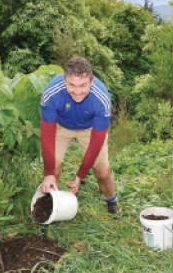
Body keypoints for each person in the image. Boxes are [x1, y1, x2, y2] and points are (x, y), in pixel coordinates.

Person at [39, 56, 118, 214]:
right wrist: (48, 173)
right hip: (60, 126)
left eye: (83, 85)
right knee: (52, 168)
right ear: (64, 81)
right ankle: (50, 206)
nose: (77, 91)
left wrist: (80, 175)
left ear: (91, 81)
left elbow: (96, 142)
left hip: (90, 129)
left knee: (102, 172)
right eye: (72, 85)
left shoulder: (101, 100)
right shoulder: (51, 94)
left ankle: (111, 200)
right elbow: (46, 135)